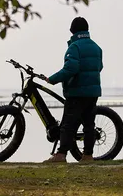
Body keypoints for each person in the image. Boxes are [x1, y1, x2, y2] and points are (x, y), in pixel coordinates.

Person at [44, 17, 103, 163]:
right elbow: (99, 67)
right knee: (89, 124)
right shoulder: (97, 47)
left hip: (77, 92)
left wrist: (52, 79)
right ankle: (88, 156)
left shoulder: (75, 47)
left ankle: (61, 154)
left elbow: (71, 68)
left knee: (68, 124)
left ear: (72, 30)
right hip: (93, 93)